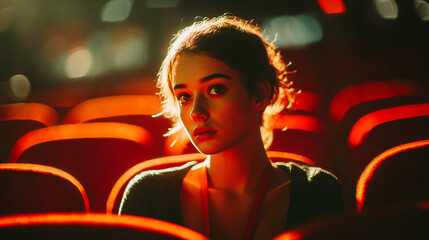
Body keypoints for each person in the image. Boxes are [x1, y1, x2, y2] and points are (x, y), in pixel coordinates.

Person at [119, 15, 344, 240]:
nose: (197, 112)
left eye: (215, 90)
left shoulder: (318, 192)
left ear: (260, 95)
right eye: (184, 97)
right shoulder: (147, 197)